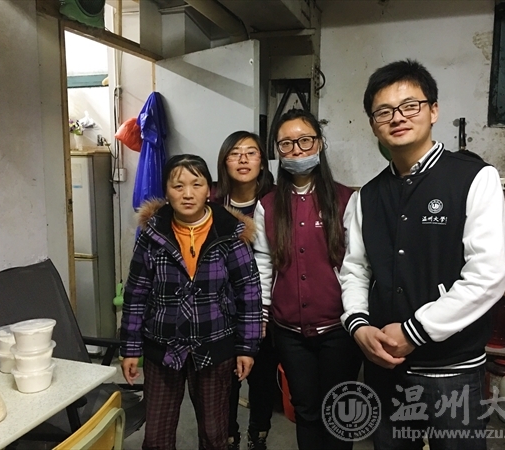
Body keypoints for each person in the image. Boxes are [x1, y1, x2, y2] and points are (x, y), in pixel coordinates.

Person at [339, 59, 505, 450]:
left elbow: (487, 274)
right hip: (385, 365)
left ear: (433, 110)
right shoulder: (367, 196)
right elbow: (355, 270)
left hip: (452, 369)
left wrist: (414, 331)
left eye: (409, 106)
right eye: (384, 111)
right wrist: (359, 326)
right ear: (373, 125)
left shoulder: (474, 178)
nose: (397, 117)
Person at [120, 154, 263, 450]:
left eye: (196, 184)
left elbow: (249, 293)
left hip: (214, 346)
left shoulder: (229, 233)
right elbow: (136, 293)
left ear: (208, 190)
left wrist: (246, 347)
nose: (187, 193)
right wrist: (130, 348)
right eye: (178, 186)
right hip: (162, 348)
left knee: (214, 434)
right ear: (166, 191)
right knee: (156, 437)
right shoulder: (153, 234)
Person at [254, 109, 362, 450]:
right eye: (286, 144)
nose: (296, 150)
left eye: (304, 140)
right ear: (278, 150)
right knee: (305, 409)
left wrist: (358, 316)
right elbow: (263, 263)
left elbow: (356, 264)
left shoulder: (346, 199)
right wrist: (261, 314)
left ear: (319, 143)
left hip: (338, 329)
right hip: (289, 331)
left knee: (339, 410)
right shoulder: (268, 205)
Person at [211, 131, 278, 450]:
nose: (243, 159)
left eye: (251, 152)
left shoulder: (276, 202)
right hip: (221, 309)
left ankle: (258, 435)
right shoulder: (212, 202)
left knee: (262, 378)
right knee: (225, 381)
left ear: (262, 162)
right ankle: (229, 436)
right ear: (224, 161)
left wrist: (262, 311)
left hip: (264, 306)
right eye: (235, 153)